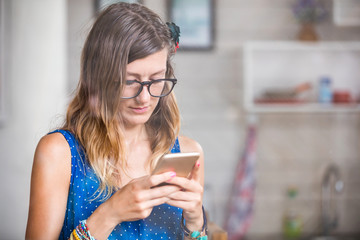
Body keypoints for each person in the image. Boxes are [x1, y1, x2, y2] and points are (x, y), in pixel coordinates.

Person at [25, 3, 207, 240]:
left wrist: (196, 224)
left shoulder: (187, 152)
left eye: (156, 79)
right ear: (100, 78)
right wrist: (109, 214)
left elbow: (196, 232)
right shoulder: (59, 154)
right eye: (130, 81)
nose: (145, 97)